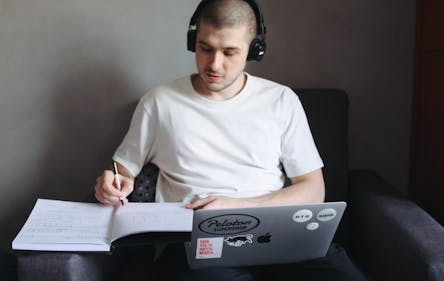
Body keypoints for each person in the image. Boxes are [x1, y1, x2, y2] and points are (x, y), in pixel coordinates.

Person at [94, 0, 365, 280]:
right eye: (205, 48)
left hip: (279, 238)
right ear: (192, 41)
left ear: (254, 50)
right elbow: (122, 169)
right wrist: (113, 183)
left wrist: (237, 207)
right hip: (198, 245)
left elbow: (313, 189)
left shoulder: (282, 101)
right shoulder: (159, 102)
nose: (214, 64)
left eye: (230, 52)